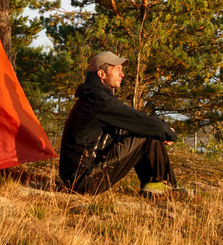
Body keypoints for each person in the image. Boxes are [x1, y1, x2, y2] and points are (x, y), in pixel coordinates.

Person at [58, 50, 182, 195]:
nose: (122, 74)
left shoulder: (94, 97)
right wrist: (165, 131)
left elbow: (129, 125)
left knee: (147, 130)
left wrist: (161, 130)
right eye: (117, 70)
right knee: (148, 130)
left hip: (79, 177)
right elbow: (138, 121)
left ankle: (157, 187)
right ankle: (162, 189)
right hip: (84, 180)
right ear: (102, 74)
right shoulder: (98, 101)